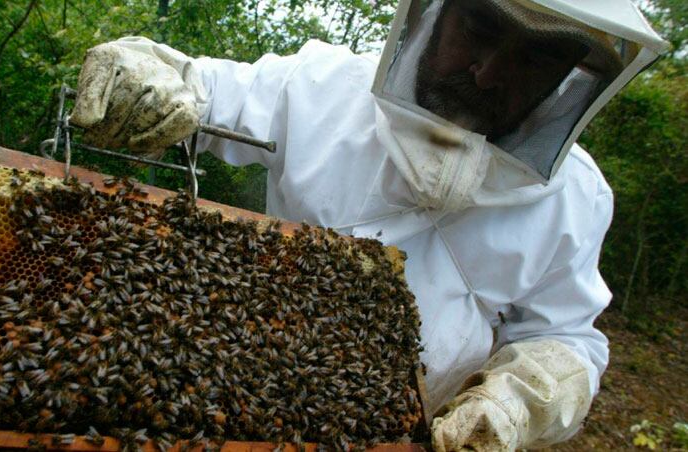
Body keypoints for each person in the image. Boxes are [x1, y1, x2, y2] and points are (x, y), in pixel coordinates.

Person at [69, 0, 668, 449]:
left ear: (569, 76)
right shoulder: (324, 86)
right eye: (480, 32)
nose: (488, 75)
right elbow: (206, 93)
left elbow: (567, 336)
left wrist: (525, 395)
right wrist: (147, 77)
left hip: (407, 431)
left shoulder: (575, 198)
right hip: (238, 395)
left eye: (533, 58)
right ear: (435, 13)